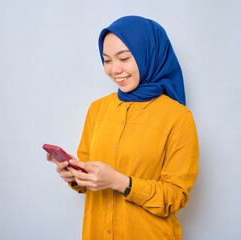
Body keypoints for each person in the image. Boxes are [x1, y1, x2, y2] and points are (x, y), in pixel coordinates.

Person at [46, 15, 199, 240]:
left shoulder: (178, 117)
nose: (114, 69)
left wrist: (120, 182)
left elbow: (176, 197)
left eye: (124, 58)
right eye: (107, 60)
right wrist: (74, 175)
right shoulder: (97, 109)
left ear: (150, 54)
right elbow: (88, 180)